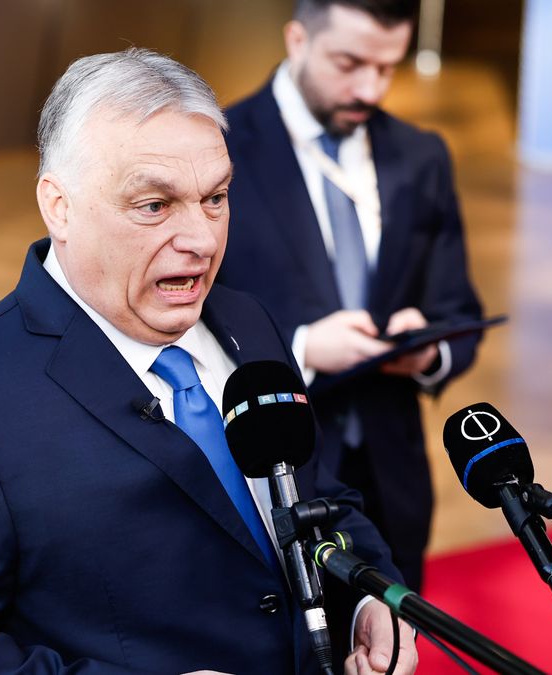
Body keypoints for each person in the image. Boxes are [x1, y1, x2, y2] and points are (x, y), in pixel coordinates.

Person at [0, 48, 417, 675]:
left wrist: (368, 594)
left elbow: (317, 498)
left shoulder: (249, 324)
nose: (202, 238)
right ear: (58, 206)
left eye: (216, 198)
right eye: (155, 206)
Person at [217, 0, 484, 591]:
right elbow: (188, 317)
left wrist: (428, 352)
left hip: (394, 475)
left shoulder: (422, 156)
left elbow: (459, 309)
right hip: (273, 467)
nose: (369, 88)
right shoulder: (219, 149)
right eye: (349, 62)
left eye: (388, 67)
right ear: (296, 40)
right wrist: (305, 347)